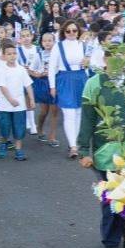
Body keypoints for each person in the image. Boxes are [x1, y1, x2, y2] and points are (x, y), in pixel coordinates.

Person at [78, 47, 125, 248]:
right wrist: (84, 149)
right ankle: (111, 239)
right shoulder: (94, 84)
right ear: (106, 59)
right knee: (111, 197)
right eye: (115, 58)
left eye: (123, 58)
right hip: (106, 151)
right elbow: (87, 119)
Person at [49, 20, 89, 159]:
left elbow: (91, 65)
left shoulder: (83, 45)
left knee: (78, 112)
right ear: (63, 32)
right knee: (69, 113)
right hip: (65, 79)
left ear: (78, 32)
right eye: (68, 31)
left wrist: (88, 64)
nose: (72, 33)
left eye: (74, 30)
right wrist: (52, 86)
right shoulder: (58, 46)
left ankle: (74, 143)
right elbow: (51, 68)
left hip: (81, 78)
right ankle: (72, 145)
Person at [0, 40, 34, 161]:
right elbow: (2, 86)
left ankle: (18, 149)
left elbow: (28, 85)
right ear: (4, 56)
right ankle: (3, 142)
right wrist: (10, 99)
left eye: (14, 53)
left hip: (19, 105)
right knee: (5, 126)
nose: (12, 56)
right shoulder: (2, 69)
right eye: (9, 54)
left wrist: (31, 99)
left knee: (19, 127)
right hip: (5, 105)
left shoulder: (21, 69)